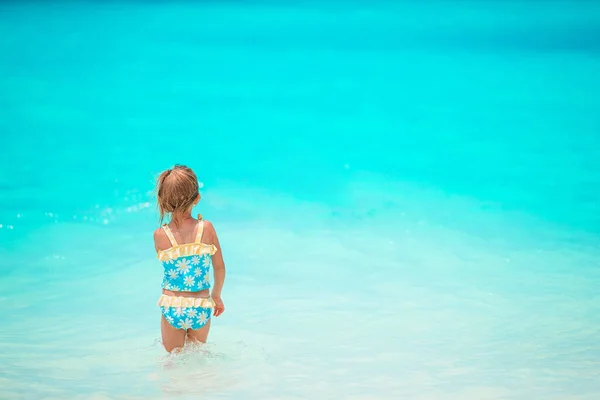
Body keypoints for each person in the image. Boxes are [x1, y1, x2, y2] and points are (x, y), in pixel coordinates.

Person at [153, 165, 226, 353]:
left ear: (163, 202)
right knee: (197, 361)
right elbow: (219, 268)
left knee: (172, 362)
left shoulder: (160, 235)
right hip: (200, 305)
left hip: (172, 305)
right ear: (197, 198)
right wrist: (216, 296)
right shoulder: (206, 228)